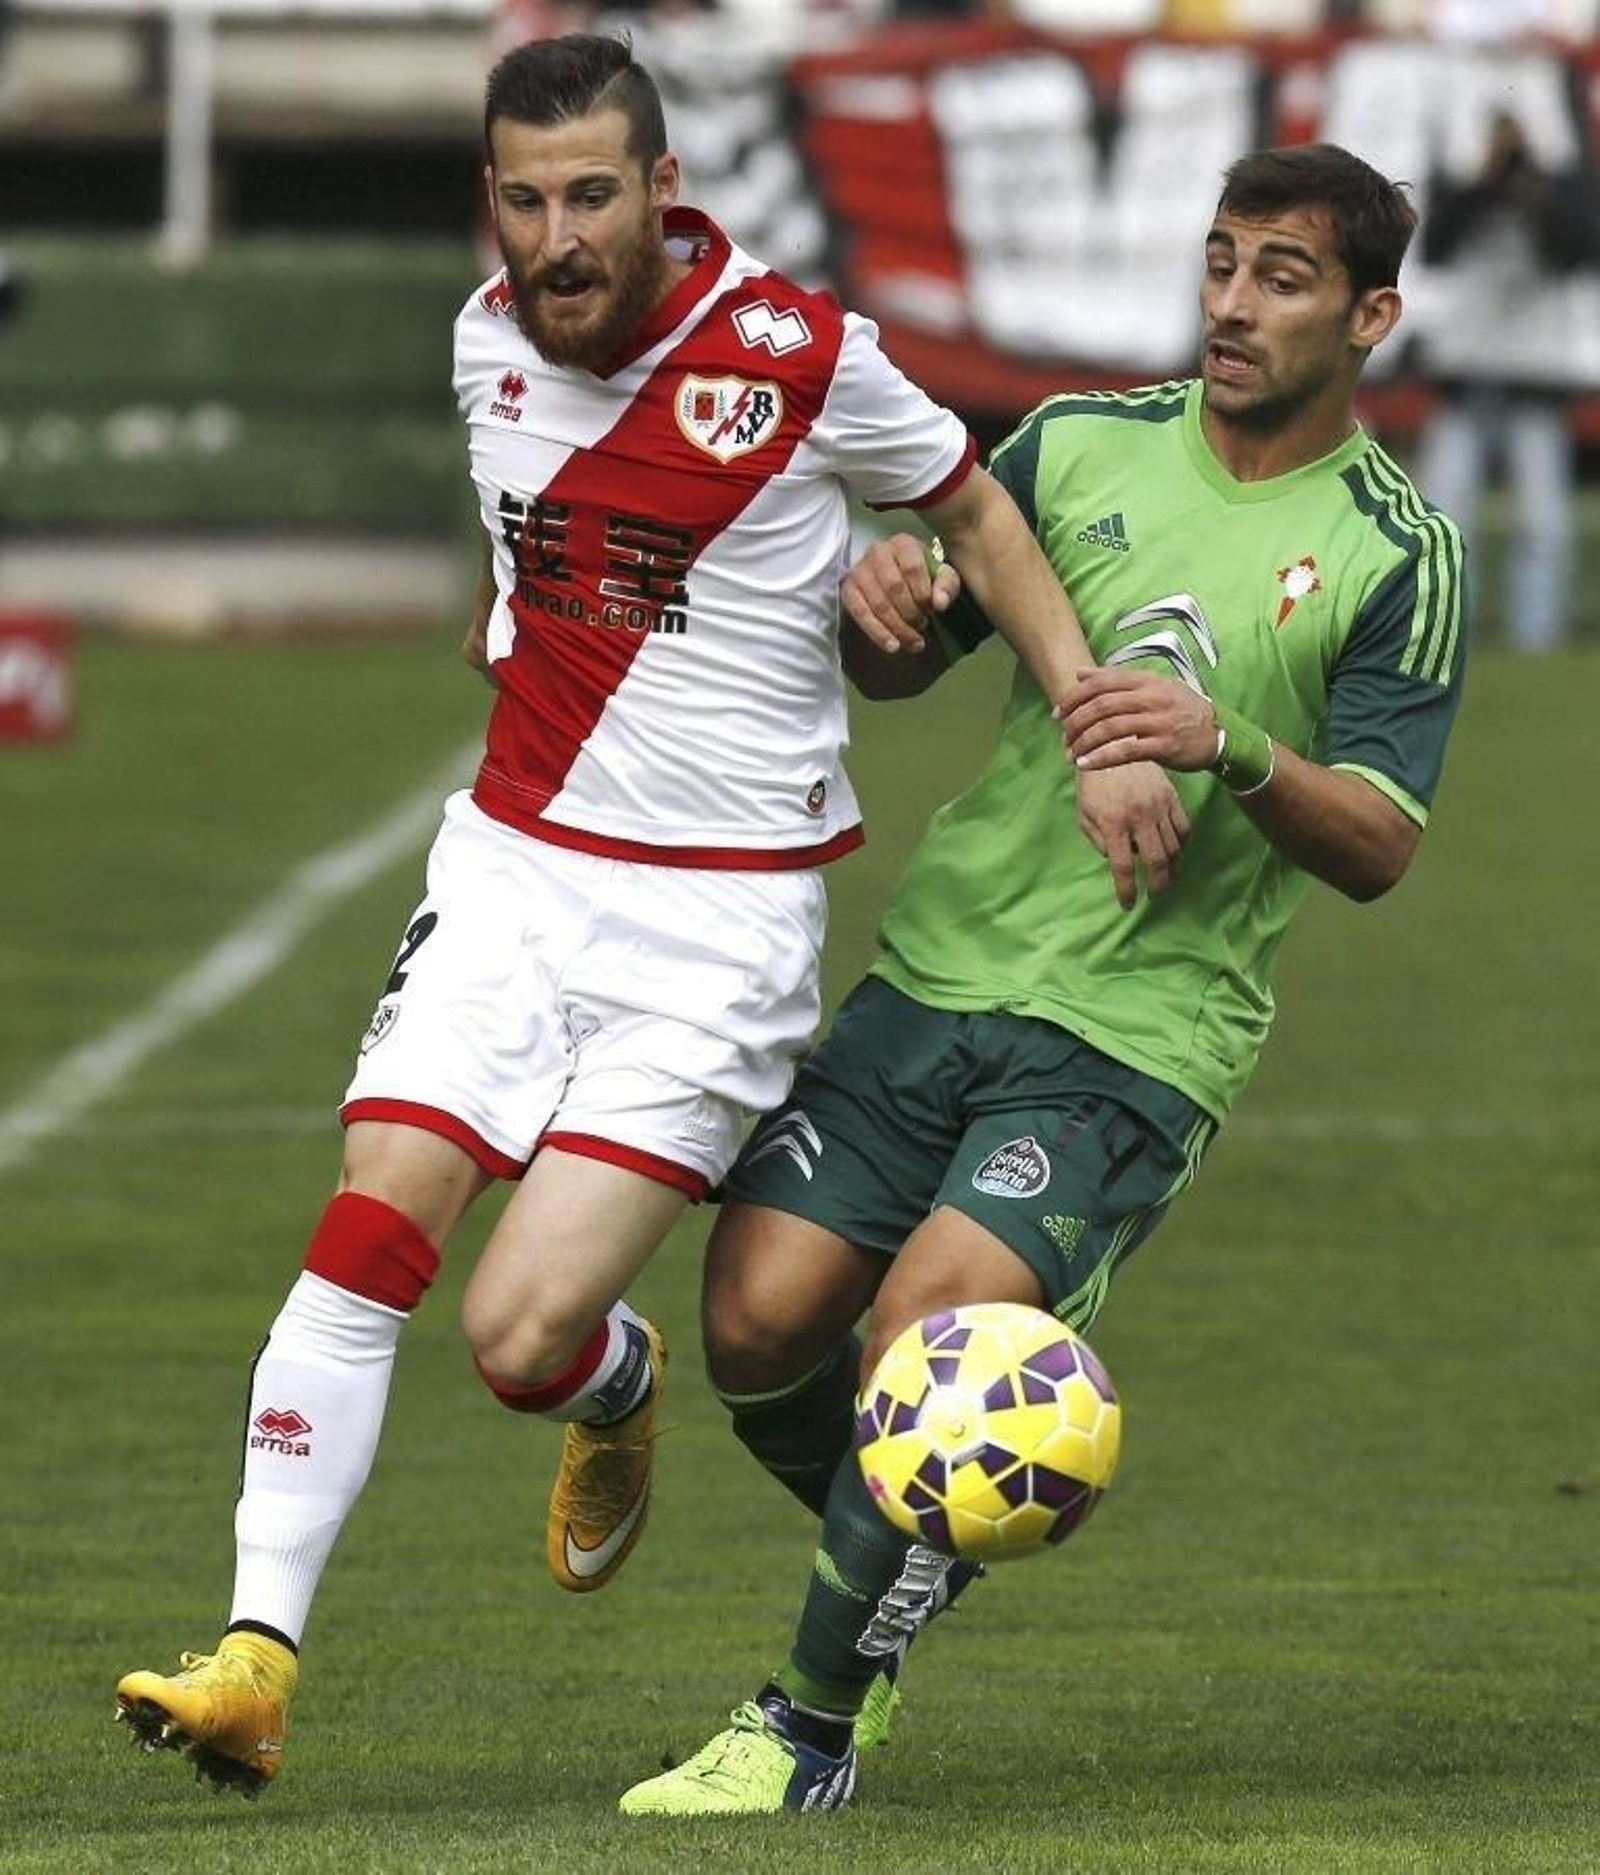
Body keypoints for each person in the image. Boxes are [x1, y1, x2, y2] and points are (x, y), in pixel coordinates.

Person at [112, 31, 1178, 1797]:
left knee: (515, 1336)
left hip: (718, 931)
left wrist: (1089, 719)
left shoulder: (800, 358)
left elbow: (980, 515)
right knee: (373, 1218)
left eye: (593, 195)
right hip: (514, 873)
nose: (560, 238)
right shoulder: (482, 341)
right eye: (527, 202)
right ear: (492, 201)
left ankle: (610, 1382)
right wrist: (525, 634)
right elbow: (522, 544)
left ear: (662, 191)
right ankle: (253, 1659)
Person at [619, 141, 1469, 1817]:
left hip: (1136, 1037)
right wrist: (881, 603)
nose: (1233, 303)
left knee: (925, 1338)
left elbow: (1379, 841)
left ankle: (806, 1725)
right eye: (1221, 261)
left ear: (1371, 316)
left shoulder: (1397, 550)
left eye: (1283, 276)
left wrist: (1225, 743)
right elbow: (906, 656)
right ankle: (920, 1540)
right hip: (941, 970)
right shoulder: (1074, 442)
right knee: (755, 1327)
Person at [1413, 101, 1600, 652]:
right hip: (1465, 377)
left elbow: (1576, 251)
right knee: (1445, 523)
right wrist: (1487, 182)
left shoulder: (1560, 189)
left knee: (1543, 525)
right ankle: (1445, 636)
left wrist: (1534, 192)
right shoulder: (1463, 186)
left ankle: (1536, 640)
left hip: (1534, 381)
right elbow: (1435, 247)